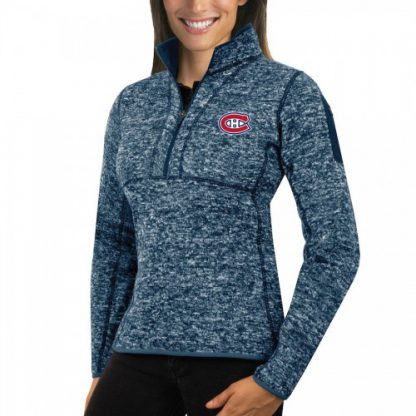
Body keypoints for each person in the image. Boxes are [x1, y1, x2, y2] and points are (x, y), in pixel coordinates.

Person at [84, 0, 360, 415]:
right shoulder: (132, 104)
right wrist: (102, 366)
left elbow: (336, 247)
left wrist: (277, 379)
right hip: (134, 355)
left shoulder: (288, 93)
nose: (197, 5)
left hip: (236, 365)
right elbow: (114, 244)